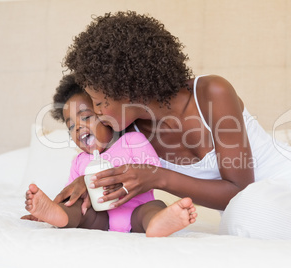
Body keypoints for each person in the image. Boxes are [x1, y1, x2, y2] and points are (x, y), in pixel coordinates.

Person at [57, 11, 291, 239]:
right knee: (246, 214)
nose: (98, 112)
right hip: (257, 207)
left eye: (100, 102)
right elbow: (245, 198)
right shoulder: (131, 138)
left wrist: (159, 177)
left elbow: (240, 184)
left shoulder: (211, 92)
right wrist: (89, 181)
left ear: (126, 87)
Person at [21, 74, 197, 237]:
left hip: (137, 210)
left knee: (155, 207)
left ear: (105, 117)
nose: (79, 128)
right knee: (76, 208)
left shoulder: (131, 142)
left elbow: (154, 171)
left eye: (86, 117)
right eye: (71, 127)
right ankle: (57, 216)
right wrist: (62, 205)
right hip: (100, 219)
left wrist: (120, 178)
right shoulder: (79, 161)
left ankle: (158, 223)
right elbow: (72, 194)